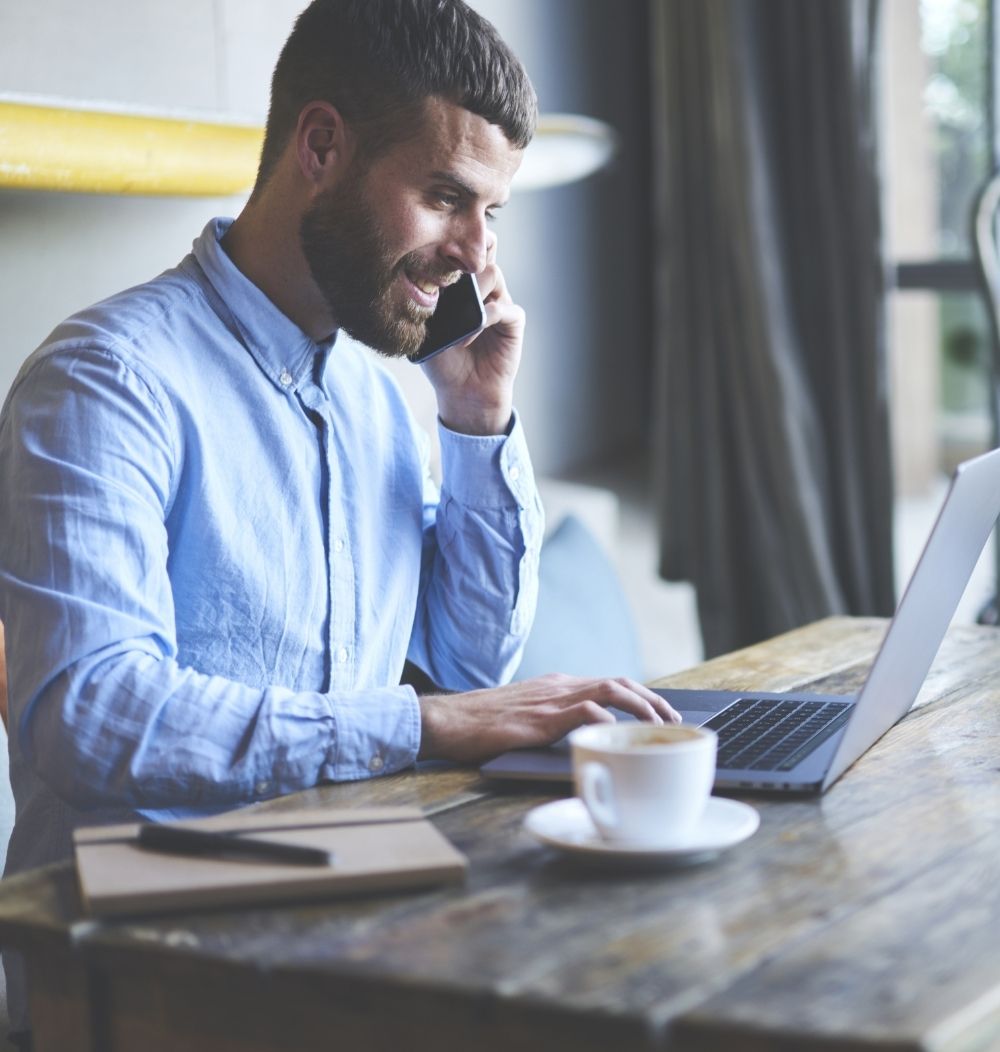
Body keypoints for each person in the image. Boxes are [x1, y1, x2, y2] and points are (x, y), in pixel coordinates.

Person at [0, 0, 677, 1037]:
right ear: (320, 145)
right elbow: (94, 714)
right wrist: (414, 726)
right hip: (139, 968)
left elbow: (466, 658)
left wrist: (477, 417)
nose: (474, 248)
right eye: (446, 196)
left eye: (491, 213)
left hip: (354, 920)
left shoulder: (393, 391)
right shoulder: (106, 382)